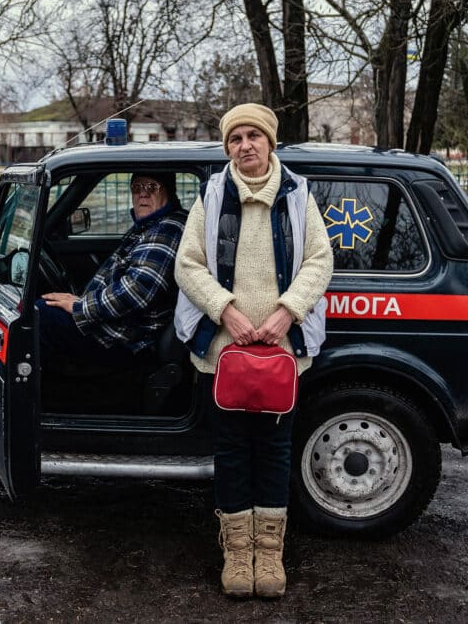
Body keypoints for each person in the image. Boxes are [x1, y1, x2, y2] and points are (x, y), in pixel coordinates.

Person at [174, 103, 333, 598]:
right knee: (232, 453)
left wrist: (288, 311)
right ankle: (238, 556)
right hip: (224, 351)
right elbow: (189, 264)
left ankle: (270, 556)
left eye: (253, 136)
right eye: (235, 138)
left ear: (270, 143)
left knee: (275, 451)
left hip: (282, 351)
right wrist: (227, 312)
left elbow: (319, 261)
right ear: (228, 148)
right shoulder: (212, 194)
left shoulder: (298, 194)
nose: (245, 145)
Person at [37, 173, 187, 368]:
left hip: (125, 340)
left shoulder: (168, 229)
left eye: (151, 187)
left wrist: (80, 306)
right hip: (115, 328)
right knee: (46, 309)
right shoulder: (150, 224)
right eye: (136, 188)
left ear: (169, 192)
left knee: (39, 315)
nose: (142, 194)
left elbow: (138, 290)